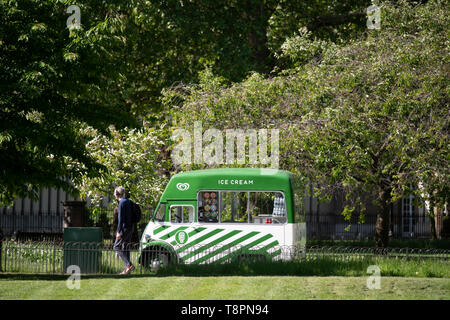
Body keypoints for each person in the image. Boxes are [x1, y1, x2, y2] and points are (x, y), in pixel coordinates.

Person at [113, 186, 135, 274]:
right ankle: (126, 270)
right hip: (130, 227)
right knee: (125, 247)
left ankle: (129, 264)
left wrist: (118, 232)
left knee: (116, 246)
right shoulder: (129, 201)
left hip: (124, 228)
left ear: (117, 194)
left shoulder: (122, 202)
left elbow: (120, 219)